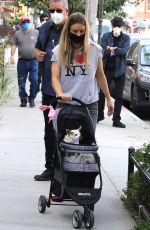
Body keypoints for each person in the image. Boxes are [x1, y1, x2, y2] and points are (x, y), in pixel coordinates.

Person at [51, 12, 114, 133]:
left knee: (88, 145)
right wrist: (60, 93)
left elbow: (100, 75)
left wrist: (108, 98)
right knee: (64, 144)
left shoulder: (95, 50)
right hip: (66, 105)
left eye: (82, 31)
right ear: (68, 30)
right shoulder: (58, 51)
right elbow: (55, 78)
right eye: (74, 31)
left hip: (89, 105)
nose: (78, 34)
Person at [34, 0, 69, 181]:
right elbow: (38, 49)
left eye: (59, 10)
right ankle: (50, 168)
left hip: (69, 92)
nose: (55, 13)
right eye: (52, 10)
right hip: (49, 90)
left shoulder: (75, 27)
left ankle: (67, 170)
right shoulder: (46, 28)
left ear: (66, 11)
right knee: (50, 132)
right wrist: (37, 53)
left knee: (69, 131)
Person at [98, 16, 130, 128]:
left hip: (120, 71)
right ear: (112, 25)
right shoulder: (106, 36)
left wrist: (111, 49)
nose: (116, 27)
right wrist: (111, 50)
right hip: (107, 69)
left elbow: (124, 51)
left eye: (118, 26)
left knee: (119, 96)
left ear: (121, 26)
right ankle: (99, 115)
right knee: (102, 93)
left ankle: (116, 119)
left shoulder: (126, 38)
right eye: (115, 25)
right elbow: (101, 50)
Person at [10, 15, 39, 107]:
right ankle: (23, 99)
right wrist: (11, 56)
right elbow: (14, 45)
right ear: (21, 24)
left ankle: (32, 98)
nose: (26, 23)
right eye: (24, 22)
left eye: (27, 21)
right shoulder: (17, 34)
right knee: (21, 81)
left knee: (34, 80)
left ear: (30, 22)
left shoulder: (36, 33)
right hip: (22, 61)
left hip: (34, 61)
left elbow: (41, 44)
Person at [36, 13, 49, 93]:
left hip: (49, 57)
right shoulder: (38, 30)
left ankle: (45, 93)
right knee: (37, 76)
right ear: (40, 20)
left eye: (47, 20)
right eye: (43, 20)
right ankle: (36, 90)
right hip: (40, 58)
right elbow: (35, 45)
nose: (45, 21)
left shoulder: (51, 29)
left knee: (47, 76)